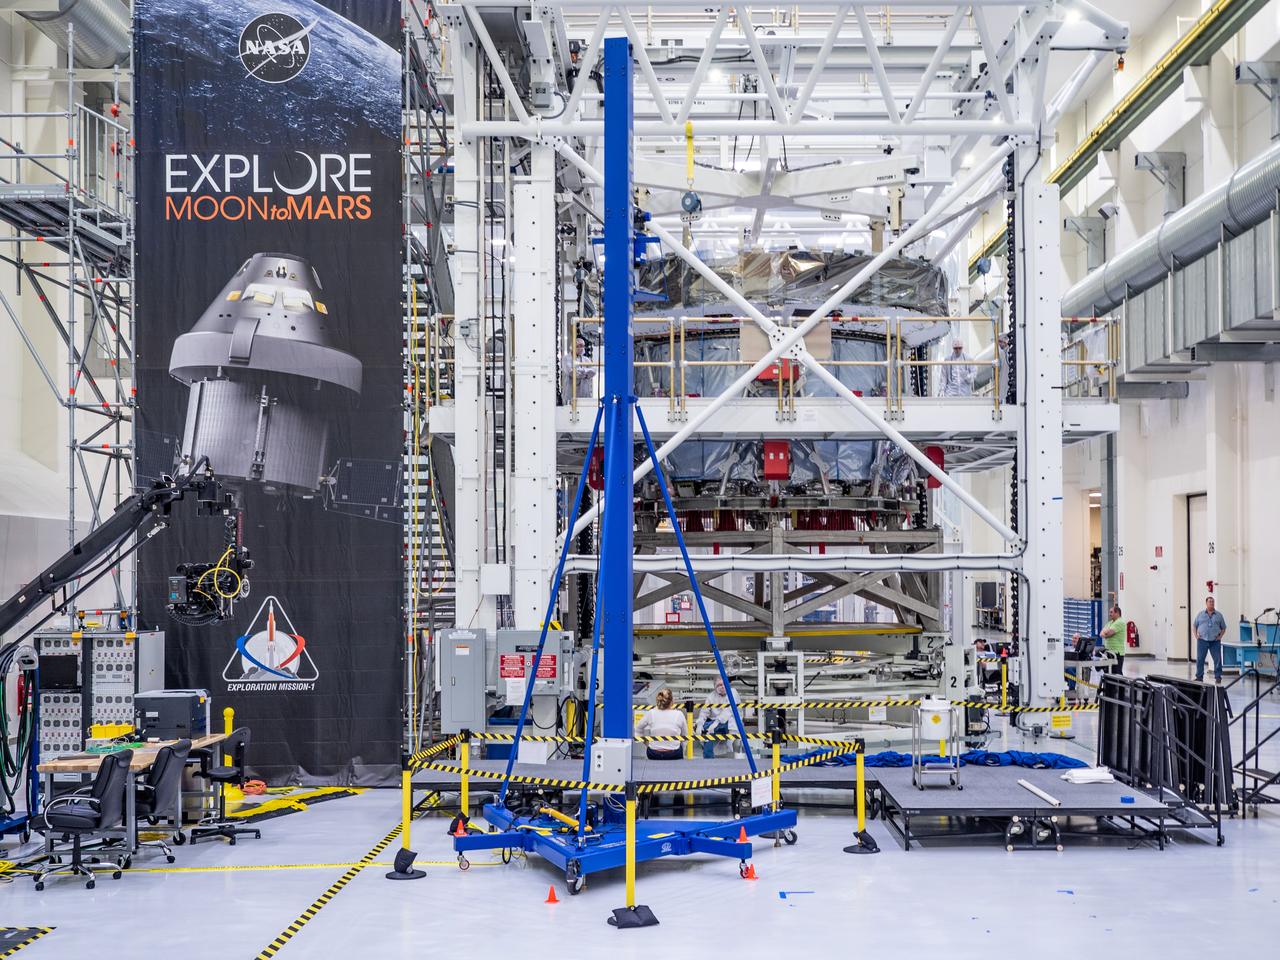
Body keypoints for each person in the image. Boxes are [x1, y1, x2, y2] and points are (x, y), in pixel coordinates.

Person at [635, 689, 686, 760]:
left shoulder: (651, 713)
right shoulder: (679, 714)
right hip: (674, 753)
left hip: (653, 753)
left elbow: (638, 728)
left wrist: (646, 743)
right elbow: (685, 736)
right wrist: (682, 751)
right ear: (672, 702)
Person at [695, 678, 734, 759]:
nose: (722, 687)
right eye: (719, 685)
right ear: (715, 687)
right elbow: (704, 712)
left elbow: (728, 712)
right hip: (714, 724)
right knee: (705, 729)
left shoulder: (732, 693)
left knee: (727, 726)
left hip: (728, 723)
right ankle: (708, 758)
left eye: (724, 684)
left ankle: (729, 756)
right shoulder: (711, 697)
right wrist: (699, 724)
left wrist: (716, 722)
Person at [1193, 595, 1227, 684]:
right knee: (1200, 659)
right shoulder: (1200, 614)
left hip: (1215, 641)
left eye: (1212, 602)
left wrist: (1220, 637)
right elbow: (1194, 625)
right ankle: (1199, 677)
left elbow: (1223, 628)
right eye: (1210, 602)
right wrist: (1196, 636)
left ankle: (1218, 677)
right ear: (1206, 603)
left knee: (1217, 659)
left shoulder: (1219, 615)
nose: (1211, 603)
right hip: (1202, 640)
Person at [562, 335, 596, 400]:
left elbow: (594, 371)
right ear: (572, 347)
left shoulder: (586, 359)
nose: (581, 348)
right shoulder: (566, 359)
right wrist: (586, 374)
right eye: (579, 346)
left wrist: (583, 371)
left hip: (585, 394)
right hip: (571, 395)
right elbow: (571, 372)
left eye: (582, 346)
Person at [1099, 604, 1127, 674]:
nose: (1109, 614)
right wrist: (1105, 633)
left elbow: (1108, 634)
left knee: (1117, 673)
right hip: (1109, 652)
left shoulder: (1120, 622)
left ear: (1117, 613)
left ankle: (1121, 685)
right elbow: (1101, 633)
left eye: (1111, 612)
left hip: (1117, 653)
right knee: (1109, 672)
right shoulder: (1110, 622)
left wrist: (1106, 633)